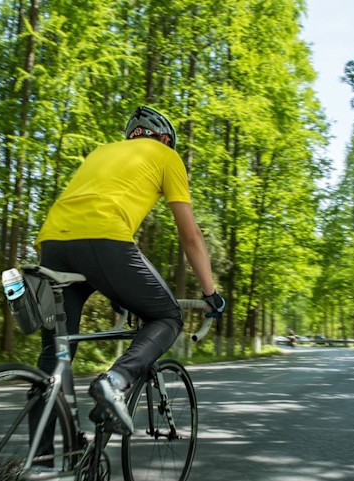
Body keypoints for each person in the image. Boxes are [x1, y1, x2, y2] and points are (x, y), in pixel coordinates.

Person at [34, 105, 225, 436]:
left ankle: (42, 473)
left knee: (54, 359)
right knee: (168, 317)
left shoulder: (101, 152)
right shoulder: (167, 156)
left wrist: (114, 291)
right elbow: (190, 237)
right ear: (164, 138)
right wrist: (211, 293)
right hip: (104, 239)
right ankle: (115, 381)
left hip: (51, 244)